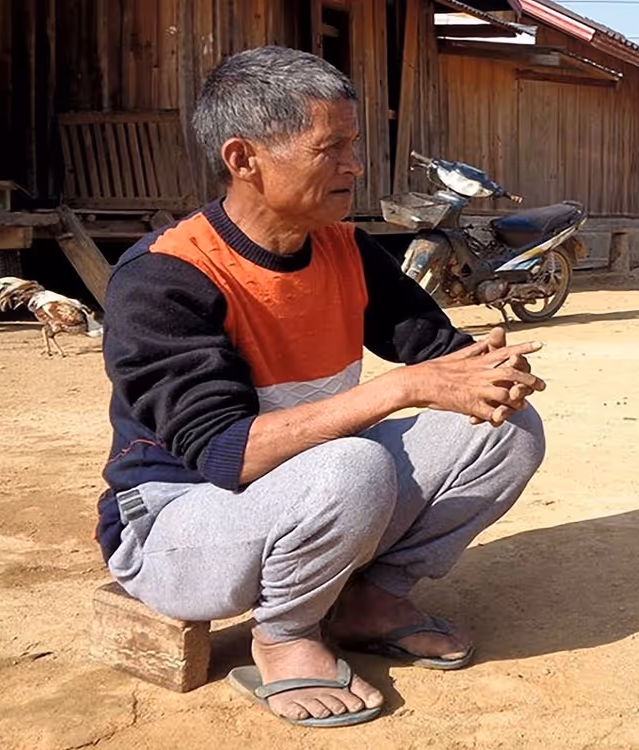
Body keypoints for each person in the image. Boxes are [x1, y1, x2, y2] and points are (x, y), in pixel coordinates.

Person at [96, 46, 547, 727]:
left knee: (504, 430)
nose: (355, 167)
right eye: (329, 149)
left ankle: (374, 599)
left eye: (353, 145)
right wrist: (402, 390)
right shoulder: (164, 278)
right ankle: (283, 635)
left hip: (311, 494)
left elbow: (439, 353)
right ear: (243, 159)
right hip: (173, 525)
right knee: (351, 462)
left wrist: (491, 373)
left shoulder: (346, 249)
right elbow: (227, 456)